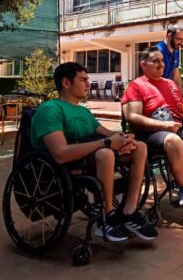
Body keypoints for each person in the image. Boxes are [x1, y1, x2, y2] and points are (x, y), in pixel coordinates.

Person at [30, 62, 157, 241]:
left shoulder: (84, 112)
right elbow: (60, 154)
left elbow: (108, 134)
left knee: (140, 147)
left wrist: (125, 139)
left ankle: (129, 211)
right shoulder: (50, 109)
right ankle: (106, 217)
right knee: (105, 153)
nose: (88, 84)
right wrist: (106, 143)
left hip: (88, 158)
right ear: (66, 83)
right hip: (64, 165)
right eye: (83, 80)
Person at [122, 46, 183, 207]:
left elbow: (182, 109)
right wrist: (164, 125)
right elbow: (132, 117)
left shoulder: (170, 83)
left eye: (162, 60)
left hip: (178, 126)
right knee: (172, 139)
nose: (161, 64)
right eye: (155, 61)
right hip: (151, 132)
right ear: (143, 65)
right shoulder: (136, 86)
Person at [155, 24, 183, 104]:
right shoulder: (157, 51)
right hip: (156, 96)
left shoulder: (176, 52)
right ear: (169, 36)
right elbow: (153, 79)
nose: (181, 43)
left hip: (167, 95)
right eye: (179, 39)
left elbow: (176, 77)